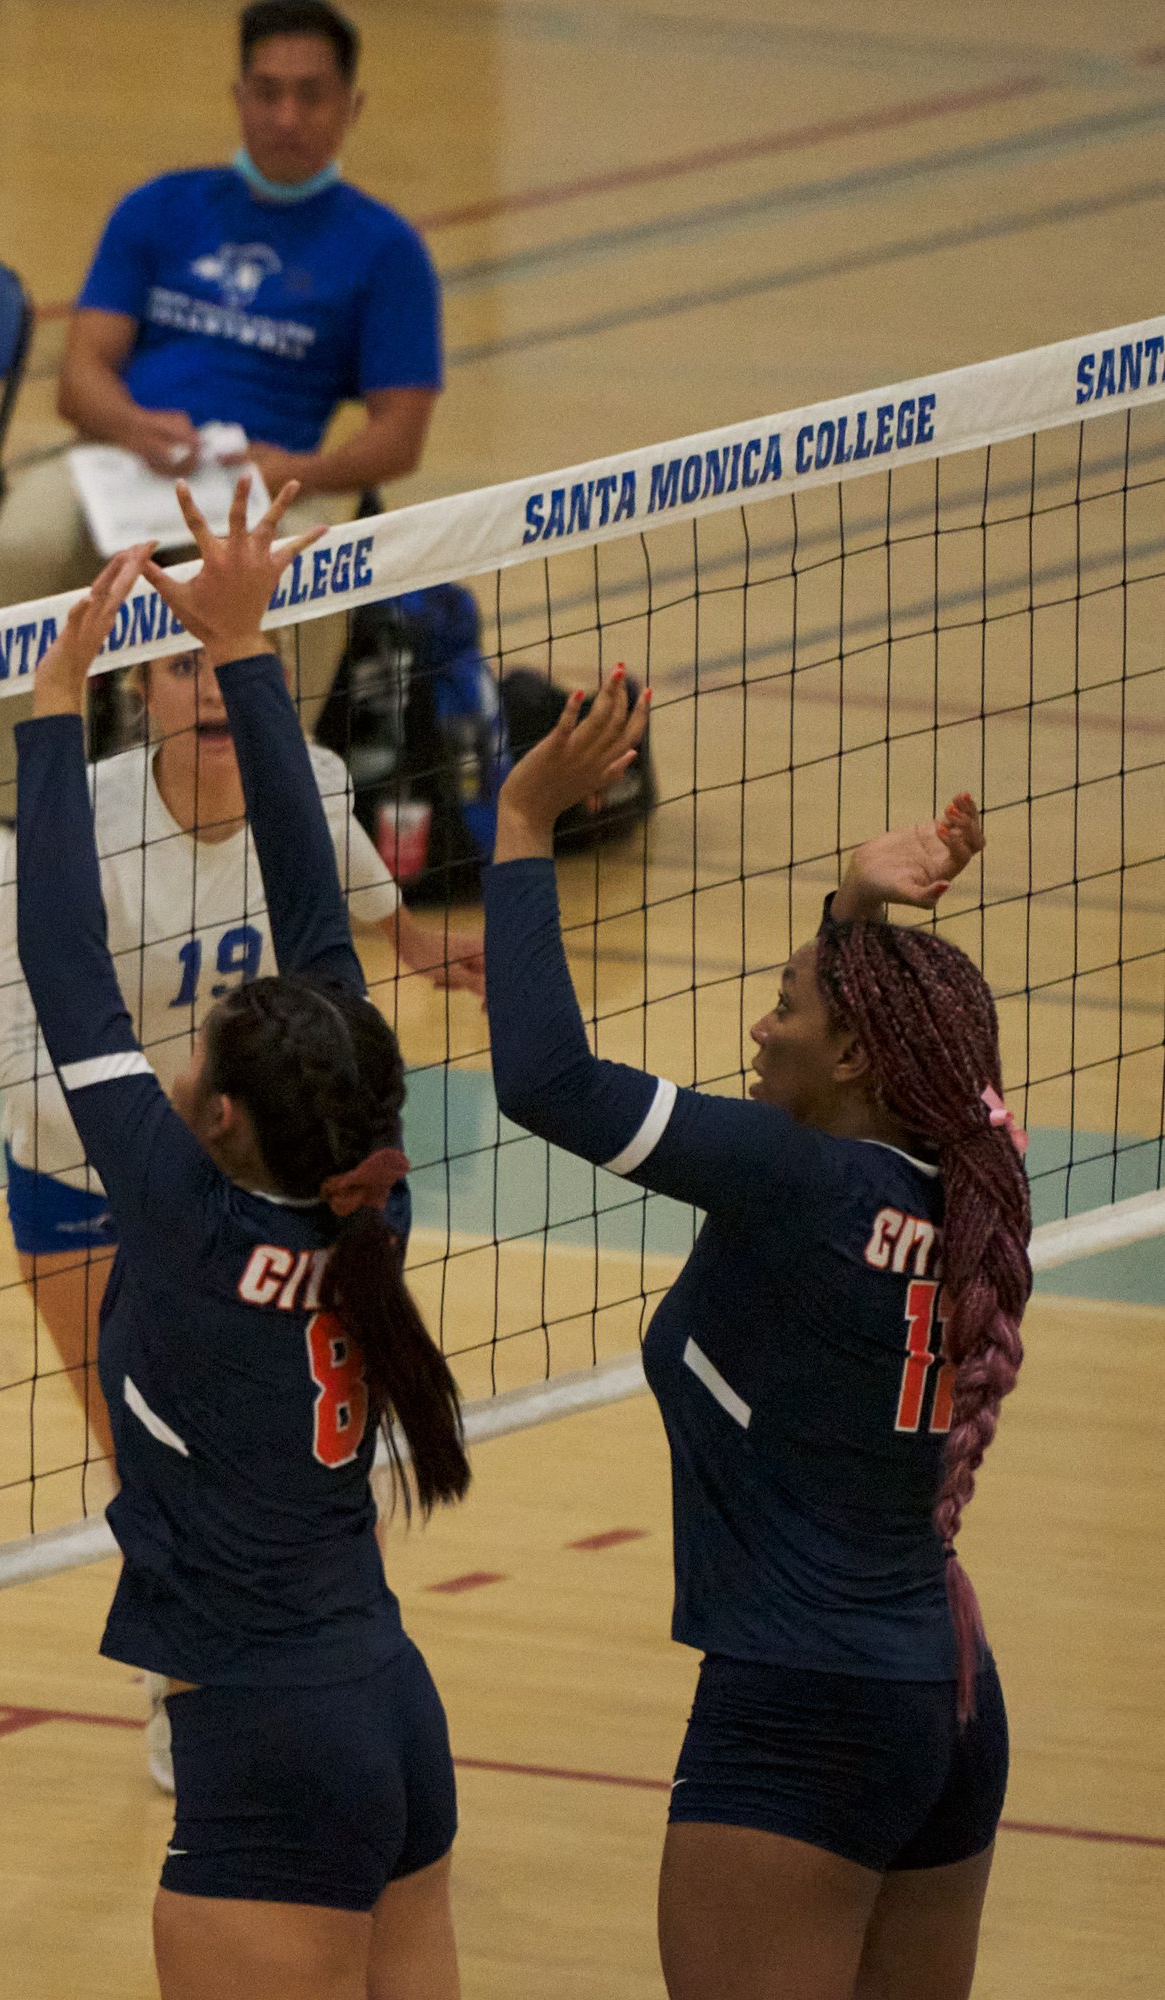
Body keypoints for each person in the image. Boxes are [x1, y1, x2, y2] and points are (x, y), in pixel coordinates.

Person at [484, 676, 1029, 2000]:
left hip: (803, 1715)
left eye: (785, 1003)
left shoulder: (794, 1183)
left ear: (852, 1065)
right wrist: (854, 913)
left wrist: (520, 822)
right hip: (944, 1700)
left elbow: (544, 1082)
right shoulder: (967, 1183)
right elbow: (847, 1069)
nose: (759, 1025)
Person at [14, 479, 470, 2000]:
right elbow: (307, 927)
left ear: (210, 1119)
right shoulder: (365, 1212)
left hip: (271, 1741)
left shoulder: (192, 1226)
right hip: (390, 1706)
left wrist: (51, 718)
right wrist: (251, 653)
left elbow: (66, 969)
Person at [0, 0, 442, 938]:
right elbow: (80, 374)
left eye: (310, 95)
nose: (286, 115)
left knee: (313, 570)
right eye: (268, 92)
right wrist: (133, 423)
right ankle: (4, 832)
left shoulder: (386, 250)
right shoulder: (159, 209)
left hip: (277, 477)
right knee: (23, 542)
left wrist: (307, 462)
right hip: (129, 460)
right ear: (239, 96)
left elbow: (400, 433)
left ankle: (274, 821)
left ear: (350, 107)